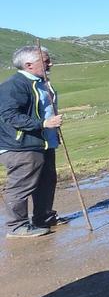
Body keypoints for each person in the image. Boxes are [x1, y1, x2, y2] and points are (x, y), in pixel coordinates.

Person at [0, 46, 64, 239]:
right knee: (21, 186)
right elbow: (9, 115)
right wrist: (43, 123)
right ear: (29, 65)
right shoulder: (14, 85)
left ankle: (43, 218)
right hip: (21, 146)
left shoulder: (40, 83)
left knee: (46, 181)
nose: (50, 64)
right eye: (45, 61)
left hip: (43, 142)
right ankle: (16, 226)